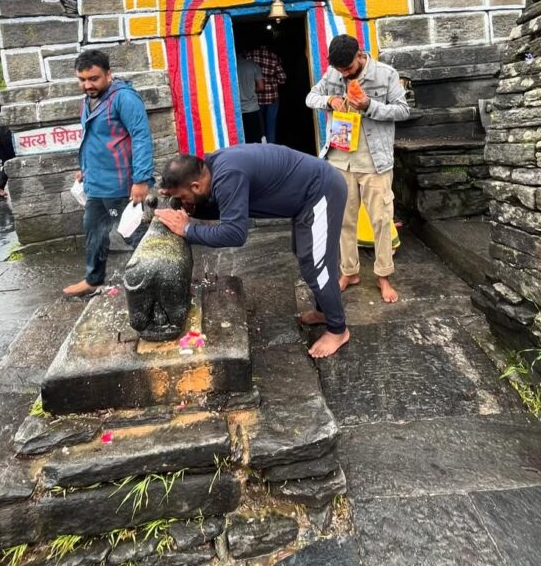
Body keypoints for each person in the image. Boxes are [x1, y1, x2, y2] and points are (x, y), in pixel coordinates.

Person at [155, 145, 350, 358]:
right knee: (306, 256)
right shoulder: (214, 170)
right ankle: (324, 312)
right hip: (303, 200)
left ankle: (338, 330)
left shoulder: (229, 176)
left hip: (320, 191)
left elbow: (234, 233)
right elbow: (227, 206)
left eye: (183, 197)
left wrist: (187, 229)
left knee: (316, 265)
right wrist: (195, 208)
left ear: (195, 185)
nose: (183, 203)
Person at [306, 34, 409, 303]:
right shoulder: (332, 74)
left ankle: (383, 276)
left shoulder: (386, 75)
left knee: (381, 220)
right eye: (340, 70)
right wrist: (329, 101)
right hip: (340, 160)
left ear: (359, 55)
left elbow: (403, 110)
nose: (344, 73)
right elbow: (310, 97)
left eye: (348, 68)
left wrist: (369, 106)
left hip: (375, 161)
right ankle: (349, 272)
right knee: (343, 221)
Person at [63, 49, 155, 297]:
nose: (87, 85)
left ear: (108, 74)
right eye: (82, 80)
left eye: (93, 78)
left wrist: (141, 179)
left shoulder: (124, 99)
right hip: (96, 183)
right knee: (94, 232)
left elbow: (141, 138)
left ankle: (157, 275)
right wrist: (85, 170)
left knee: (132, 232)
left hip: (119, 184)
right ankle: (93, 280)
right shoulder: (89, 99)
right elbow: (95, 139)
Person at [247, 42, 286, 144]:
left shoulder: (250, 55)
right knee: (271, 124)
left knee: (259, 126)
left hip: (256, 97)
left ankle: (261, 150)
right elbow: (282, 78)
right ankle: (271, 149)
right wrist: (271, 82)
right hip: (272, 97)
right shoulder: (274, 57)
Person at [236, 50, 264, 143]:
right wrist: (251, 89)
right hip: (253, 109)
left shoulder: (231, 67)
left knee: (243, 141)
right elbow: (261, 87)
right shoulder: (253, 65)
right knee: (256, 140)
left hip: (238, 110)